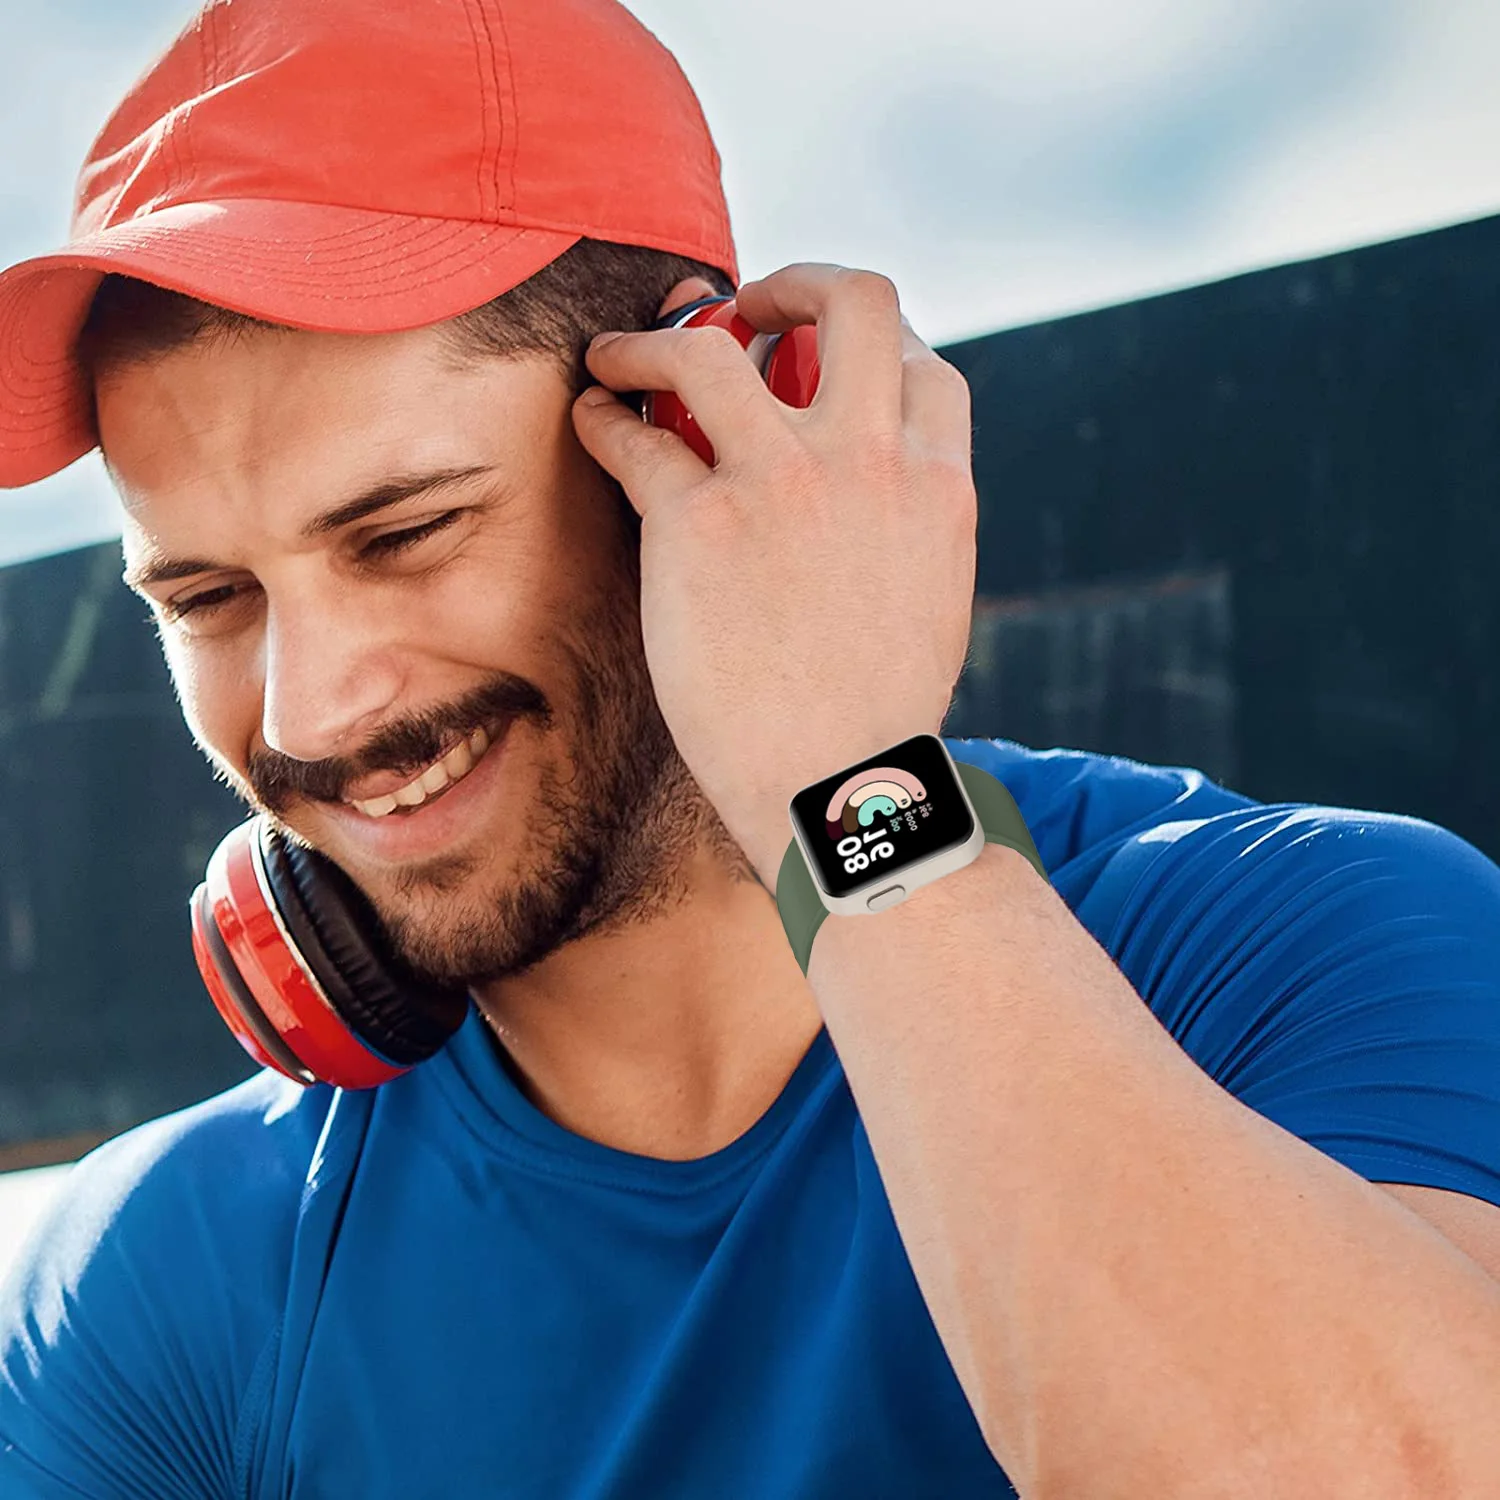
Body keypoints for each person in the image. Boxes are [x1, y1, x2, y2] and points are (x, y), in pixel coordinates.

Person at [1, 0, 1498, 1494]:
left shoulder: (1292, 949)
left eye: (407, 533)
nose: (310, 714)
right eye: (208, 599)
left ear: (704, 419)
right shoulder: (168, 1283)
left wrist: (849, 768)